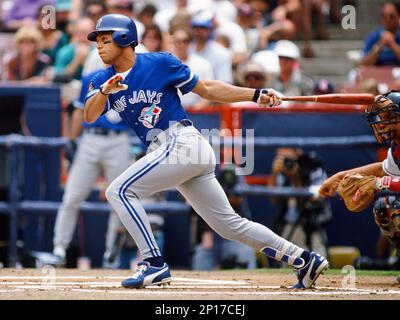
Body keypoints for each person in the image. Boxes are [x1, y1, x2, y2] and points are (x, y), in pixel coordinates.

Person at [84, 13, 329, 289]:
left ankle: (153, 264)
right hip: (172, 152)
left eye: (105, 40)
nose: (99, 46)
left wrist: (254, 94)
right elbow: (90, 114)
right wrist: (105, 91)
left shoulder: (160, 62)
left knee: (118, 190)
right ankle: (304, 259)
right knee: (229, 225)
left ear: (124, 39)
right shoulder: (102, 79)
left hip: (183, 142)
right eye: (98, 41)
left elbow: (208, 89)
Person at [52, 70, 133, 267]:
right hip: (90, 138)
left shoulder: (132, 77)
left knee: (118, 198)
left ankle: (110, 254)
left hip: (119, 139)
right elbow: (80, 109)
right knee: (71, 197)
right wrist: (72, 139)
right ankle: (59, 249)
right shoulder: (93, 77)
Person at [319, 91, 400, 271]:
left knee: (393, 205)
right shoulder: (397, 148)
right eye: (381, 117)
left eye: (389, 117)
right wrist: (339, 177)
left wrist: (380, 183)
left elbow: (382, 177)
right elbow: (382, 169)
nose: (381, 123)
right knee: (383, 207)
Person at [268, 148, 332, 259]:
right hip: (289, 225)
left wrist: (295, 177)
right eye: (282, 157)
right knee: (286, 266)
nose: (286, 162)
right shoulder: (282, 171)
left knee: (317, 263)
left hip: (312, 225)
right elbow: (273, 199)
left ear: (297, 153)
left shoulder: (313, 167)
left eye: (288, 158)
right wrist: (274, 173)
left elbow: (313, 200)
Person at [360, 2, 400, 66]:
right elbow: (363, 65)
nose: (388, 20)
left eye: (391, 17)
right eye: (384, 16)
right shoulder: (373, 36)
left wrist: (393, 44)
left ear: (398, 17)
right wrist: (380, 45)